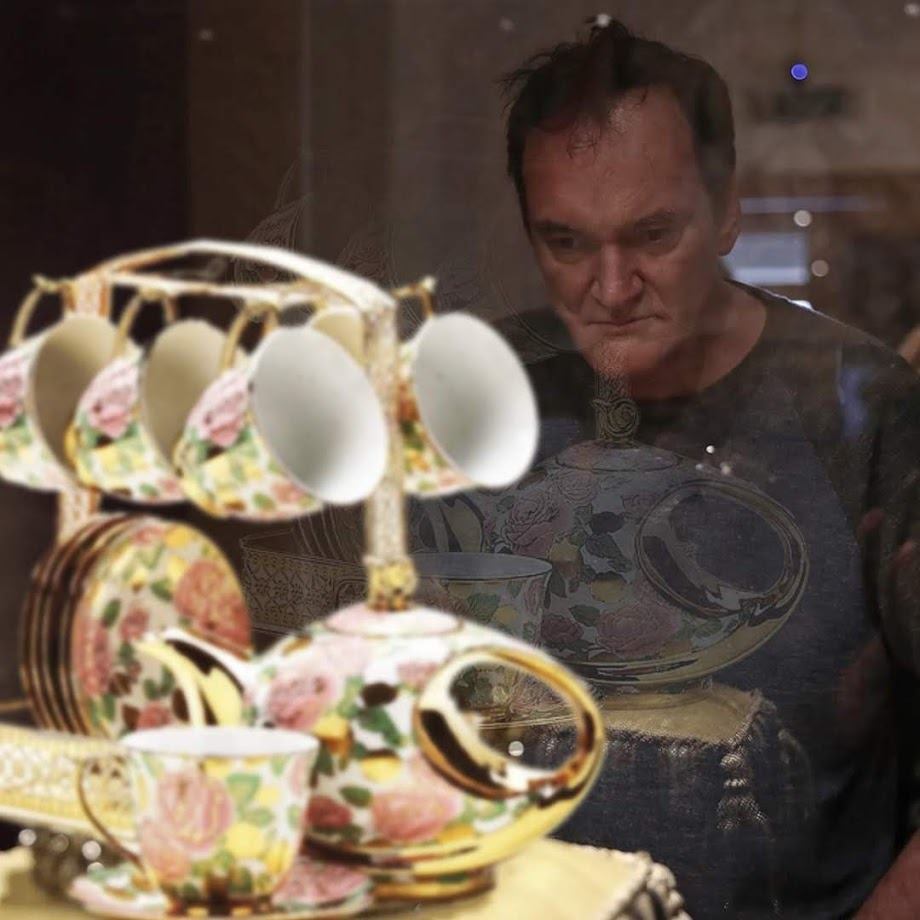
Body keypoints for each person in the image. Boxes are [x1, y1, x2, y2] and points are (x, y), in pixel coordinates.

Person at [481, 17, 919, 919]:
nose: (610, 289)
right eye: (567, 243)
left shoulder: (859, 405)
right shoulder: (481, 390)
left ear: (727, 213)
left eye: (652, 235)